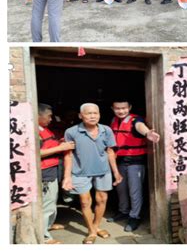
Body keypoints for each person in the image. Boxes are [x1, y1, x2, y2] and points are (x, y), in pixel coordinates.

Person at [62, 103, 122, 244]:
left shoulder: (106, 130)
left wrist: (116, 172)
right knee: (84, 202)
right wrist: (67, 177)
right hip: (80, 172)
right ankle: (91, 230)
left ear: (99, 114)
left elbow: (110, 151)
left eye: (96, 113)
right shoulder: (71, 131)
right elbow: (68, 155)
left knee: (102, 199)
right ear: (80, 116)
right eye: (89, 113)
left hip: (103, 170)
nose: (93, 116)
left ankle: (95, 227)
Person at [107, 99, 160, 231]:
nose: (121, 111)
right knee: (121, 189)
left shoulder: (136, 120)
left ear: (129, 107)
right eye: (117, 108)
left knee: (134, 191)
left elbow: (140, 127)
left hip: (135, 162)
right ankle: (123, 211)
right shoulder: (113, 121)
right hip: (119, 161)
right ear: (112, 109)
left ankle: (135, 216)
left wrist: (148, 133)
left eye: (124, 108)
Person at [38, 103, 75, 244]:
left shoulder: (44, 129)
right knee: (47, 203)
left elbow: (49, 145)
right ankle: (44, 237)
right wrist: (61, 147)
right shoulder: (35, 131)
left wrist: (59, 144)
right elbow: (37, 153)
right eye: (49, 116)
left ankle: (47, 225)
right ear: (38, 115)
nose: (51, 119)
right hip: (45, 172)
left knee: (52, 201)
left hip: (52, 170)